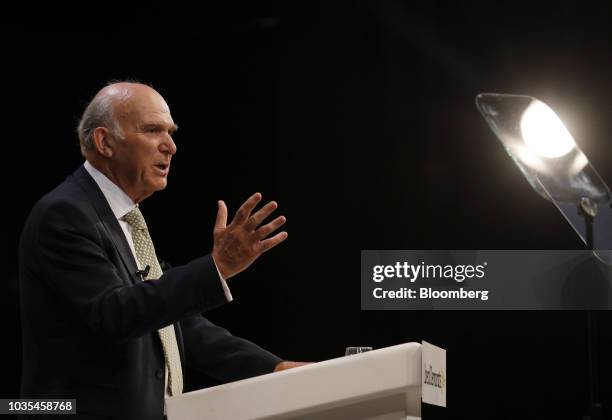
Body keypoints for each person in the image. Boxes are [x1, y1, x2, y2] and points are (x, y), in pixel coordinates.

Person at [19, 82, 306, 419]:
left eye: (171, 132)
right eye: (153, 130)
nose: (170, 146)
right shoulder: (64, 214)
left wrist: (274, 368)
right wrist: (218, 266)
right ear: (104, 141)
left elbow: (174, 325)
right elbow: (115, 314)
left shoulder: (123, 216)